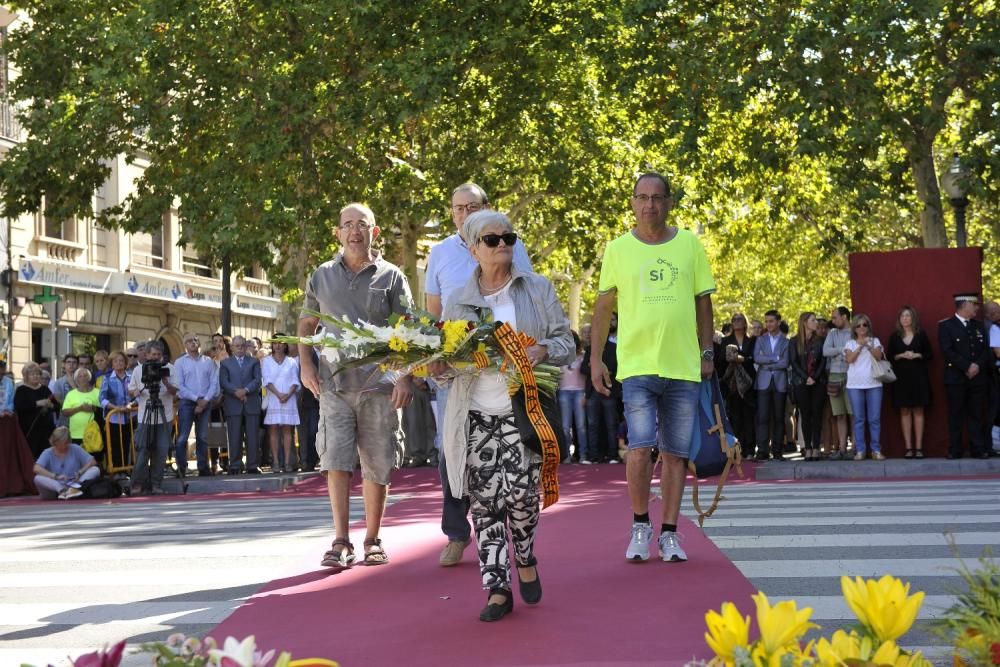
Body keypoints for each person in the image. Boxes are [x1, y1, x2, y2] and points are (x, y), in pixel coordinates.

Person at [439, 209, 573, 621]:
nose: (503, 246)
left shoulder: (537, 289)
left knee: (521, 498)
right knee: (484, 506)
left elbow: (567, 340)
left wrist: (543, 350)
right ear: (474, 248)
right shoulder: (457, 301)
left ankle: (526, 556)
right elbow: (446, 364)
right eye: (493, 240)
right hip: (475, 414)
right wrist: (438, 369)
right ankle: (497, 587)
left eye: (509, 238)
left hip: (524, 411)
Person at [591, 172, 716, 565]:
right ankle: (641, 524)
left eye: (657, 198)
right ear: (632, 202)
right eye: (642, 197)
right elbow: (603, 307)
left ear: (669, 202)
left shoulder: (690, 245)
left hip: (682, 365)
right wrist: (596, 358)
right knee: (641, 448)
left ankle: (670, 533)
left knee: (676, 454)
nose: (650, 205)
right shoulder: (617, 249)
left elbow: (703, 301)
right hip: (637, 365)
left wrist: (708, 351)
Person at [298, 202, 413, 571]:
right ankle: (341, 540)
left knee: (378, 462)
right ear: (338, 233)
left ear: (374, 232)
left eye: (362, 224)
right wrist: (304, 365)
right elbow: (305, 326)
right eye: (347, 224)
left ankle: (372, 539)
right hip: (333, 386)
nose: (354, 231)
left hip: (379, 387)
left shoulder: (392, 276)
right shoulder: (321, 275)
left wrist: (404, 376)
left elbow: (407, 329)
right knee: (335, 461)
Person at [424, 182, 533, 567]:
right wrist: (434, 360)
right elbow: (434, 317)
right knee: (451, 448)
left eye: (472, 206)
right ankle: (457, 533)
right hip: (458, 373)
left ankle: (509, 531)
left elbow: (529, 300)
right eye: (458, 208)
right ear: (451, 213)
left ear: (487, 206)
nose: (465, 213)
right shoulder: (438, 254)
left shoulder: (509, 242)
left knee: (510, 453)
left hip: (507, 372)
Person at [939, 292, 992, 459]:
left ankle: (977, 448)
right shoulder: (946, 326)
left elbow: (986, 349)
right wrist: (967, 366)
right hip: (956, 377)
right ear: (964, 305)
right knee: (955, 414)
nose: (977, 308)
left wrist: (976, 365)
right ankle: (955, 449)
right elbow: (947, 350)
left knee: (976, 414)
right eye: (973, 304)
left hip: (977, 377)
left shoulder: (978, 325)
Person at [128, 341, 177, 494]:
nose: (155, 358)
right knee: (143, 451)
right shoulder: (138, 370)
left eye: (158, 355)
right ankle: (137, 484)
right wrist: (135, 392)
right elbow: (131, 389)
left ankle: (156, 484)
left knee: (161, 452)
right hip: (145, 416)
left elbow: (175, 391)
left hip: (165, 416)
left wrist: (166, 383)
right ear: (147, 355)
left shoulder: (169, 369)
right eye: (152, 355)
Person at [887, 306, 933, 458]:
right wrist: (900, 356)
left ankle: (918, 448)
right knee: (905, 410)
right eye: (902, 316)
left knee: (919, 410)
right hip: (901, 379)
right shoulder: (894, 336)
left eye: (908, 316)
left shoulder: (921, 335)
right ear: (899, 319)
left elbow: (929, 354)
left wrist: (917, 355)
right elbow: (888, 356)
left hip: (919, 377)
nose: (905, 319)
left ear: (913, 318)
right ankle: (908, 448)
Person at [173, 333, 221, 477]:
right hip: (187, 402)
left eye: (195, 340)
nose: (192, 342)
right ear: (184, 345)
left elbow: (214, 383)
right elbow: (179, 385)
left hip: (206, 402)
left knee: (203, 436)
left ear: (199, 343)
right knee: (182, 437)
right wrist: (196, 399)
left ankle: (203, 467)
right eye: (188, 341)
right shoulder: (180, 362)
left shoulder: (209, 362)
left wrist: (205, 400)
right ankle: (181, 467)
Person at [581, 313, 622, 463]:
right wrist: (594, 368)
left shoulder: (615, 348)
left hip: (609, 392)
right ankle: (593, 456)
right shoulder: (591, 349)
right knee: (592, 425)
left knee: (611, 424)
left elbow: (615, 367)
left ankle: (612, 455)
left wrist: (599, 368)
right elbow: (583, 368)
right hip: (592, 393)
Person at [220, 336, 263, 474]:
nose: (240, 348)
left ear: (246, 347)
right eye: (237, 346)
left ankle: (253, 465)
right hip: (233, 402)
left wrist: (245, 390)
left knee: (252, 435)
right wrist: (236, 392)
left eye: (242, 346)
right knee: (234, 435)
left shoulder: (254, 361)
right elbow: (224, 382)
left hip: (251, 402)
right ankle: (235, 465)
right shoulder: (225, 363)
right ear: (232, 347)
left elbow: (257, 380)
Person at [844, 314, 885, 460]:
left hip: (874, 383)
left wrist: (868, 345)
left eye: (864, 325)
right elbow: (849, 359)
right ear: (854, 328)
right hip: (854, 384)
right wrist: (860, 346)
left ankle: (875, 450)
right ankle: (860, 450)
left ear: (868, 327)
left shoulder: (875, 341)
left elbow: (878, 356)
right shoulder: (850, 343)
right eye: (858, 325)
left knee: (874, 419)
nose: (862, 328)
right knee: (859, 419)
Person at [753, 310, 791, 461]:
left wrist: (767, 360)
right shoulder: (760, 340)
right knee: (762, 417)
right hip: (763, 382)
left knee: (779, 417)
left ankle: (777, 450)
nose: (768, 324)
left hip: (780, 382)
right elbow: (756, 358)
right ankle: (762, 450)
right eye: (766, 321)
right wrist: (775, 358)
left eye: (771, 321)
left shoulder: (786, 342)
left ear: (778, 322)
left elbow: (785, 362)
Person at [789, 312, 827, 461]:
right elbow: (793, 362)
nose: (816, 322)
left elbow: (823, 361)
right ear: (805, 322)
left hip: (818, 382)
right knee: (805, 415)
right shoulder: (794, 341)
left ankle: (817, 447)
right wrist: (806, 377)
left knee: (817, 414)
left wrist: (815, 377)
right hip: (801, 382)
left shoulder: (820, 341)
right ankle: (808, 448)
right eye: (813, 320)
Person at [719, 313, 756, 459]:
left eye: (739, 319)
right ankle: (735, 449)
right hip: (732, 384)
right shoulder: (725, 341)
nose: (736, 322)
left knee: (749, 416)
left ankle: (750, 450)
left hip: (748, 384)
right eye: (733, 320)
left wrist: (742, 359)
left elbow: (754, 358)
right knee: (734, 417)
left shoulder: (752, 340)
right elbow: (720, 360)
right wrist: (730, 358)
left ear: (745, 322)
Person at [262, 336, 300, 473]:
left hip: (289, 399)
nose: (277, 346)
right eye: (275, 343)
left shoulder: (291, 361)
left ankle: (287, 462)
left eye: (281, 343)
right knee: (273, 430)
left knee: (287, 430)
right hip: (274, 399)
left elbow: (296, 381)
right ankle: (276, 462)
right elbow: (266, 380)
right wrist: (278, 394)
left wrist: (288, 395)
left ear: (285, 346)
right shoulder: (266, 361)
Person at [32, 427, 100, 499]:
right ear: (54, 442)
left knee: (95, 469)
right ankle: (61, 490)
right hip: (54, 488)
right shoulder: (47, 452)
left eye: (65, 443)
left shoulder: (75, 448)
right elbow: (36, 468)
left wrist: (80, 472)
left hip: (74, 483)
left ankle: (74, 489)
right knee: (37, 478)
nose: (63, 446)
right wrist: (55, 476)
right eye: (60, 443)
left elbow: (92, 461)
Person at [823, 306, 854, 459]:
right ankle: (842, 448)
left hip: (852, 376)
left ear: (844, 317)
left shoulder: (854, 332)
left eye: (835, 317)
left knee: (853, 414)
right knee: (840, 414)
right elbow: (825, 351)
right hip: (834, 377)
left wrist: (835, 351)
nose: (832, 320)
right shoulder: (832, 333)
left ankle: (855, 447)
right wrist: (842, 349)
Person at [98, 352, 135, 470]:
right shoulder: (107, 378)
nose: (119, 363)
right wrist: (115, 408)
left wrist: (131, 404)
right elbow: (102, 399)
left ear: (125, 363)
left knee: (128, 444)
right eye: (115, 361)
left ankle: (128, 469)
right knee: (115, 445)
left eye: (121, 361)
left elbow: (138, 395)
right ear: (112, 364)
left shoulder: (132, 377)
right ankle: (117, 470)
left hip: (130, 417)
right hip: (113, 418)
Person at [557, 331, 589, 463]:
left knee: (581, 426)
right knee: (565, 427)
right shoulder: (559, 358)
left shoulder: (583, 356)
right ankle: (566, 456)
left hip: (580, 392)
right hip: (563, 392)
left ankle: (583, 455)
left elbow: (587, 377)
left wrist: (586, 394)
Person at [14, 362, 56, 459]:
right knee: (31, 456)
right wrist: (37, 403)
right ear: (26, 376)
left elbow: (57, 407)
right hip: (29, 429)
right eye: (32, 374)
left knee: (46, 455)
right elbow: (19, 406)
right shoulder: (21, 390)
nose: (35, 376)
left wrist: (51, 405)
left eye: (37, 374)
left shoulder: (45, 389)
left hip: (47, 430)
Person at [62, 369, 101, 448]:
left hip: (94, 434)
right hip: (76, 434)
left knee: (95, 459)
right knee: (78, 459)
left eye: (85, 375)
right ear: (76, 379)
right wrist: (80, 408)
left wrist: (94, 408)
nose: (83, 378)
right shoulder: (71, 394)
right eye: (80, 376)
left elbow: (105, 412)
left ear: (89, 378)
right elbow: (65, 412)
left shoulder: (98, 392)